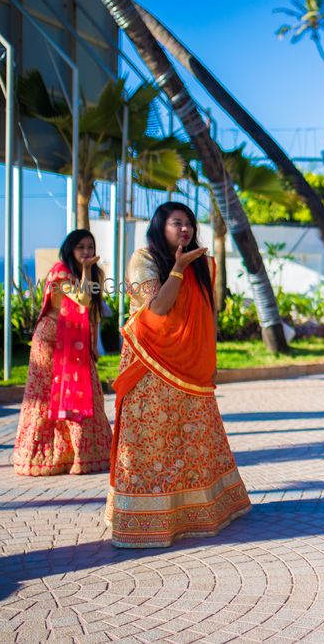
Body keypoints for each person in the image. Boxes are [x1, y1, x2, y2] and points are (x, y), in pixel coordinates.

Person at [106, 201, 251, 548]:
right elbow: (156, 309)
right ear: (161, 226)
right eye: (176, 223)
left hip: (191, 371)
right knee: (152, 445)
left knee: (192, 444)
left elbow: (206, 317)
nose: (184, 229)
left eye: (188, 223)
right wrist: (178, 269)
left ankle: (199, 512)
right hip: (150, 369)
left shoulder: (202, 265)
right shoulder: (143, 259)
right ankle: (143, 518)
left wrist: (208, 357)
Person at [13, 230, 112, 476]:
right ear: (70, 249)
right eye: (81, 247)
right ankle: (44, 458)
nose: (87, 252)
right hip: (50, 341)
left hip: (78, 341)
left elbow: (93, 312)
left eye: (90, 246)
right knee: (47, 396)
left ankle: (83, 456)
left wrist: (93, 346)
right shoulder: (60, 271)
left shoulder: (90, 274)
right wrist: (88, 270)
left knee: (86, 393)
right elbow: (82, 299)